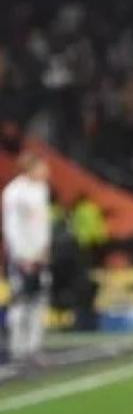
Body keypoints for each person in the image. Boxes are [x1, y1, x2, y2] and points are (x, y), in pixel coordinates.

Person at [3, 152, 52, 365]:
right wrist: (21, 256)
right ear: (30, 168)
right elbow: (12, 227)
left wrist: (45, 249)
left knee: (39, 301)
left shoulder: (42, 189)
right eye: (42, 167)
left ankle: (34, 347)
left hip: (40, 255)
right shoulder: (14, 192)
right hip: (23, 257)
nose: (46, 171)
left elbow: (42, 225)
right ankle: (17, 348)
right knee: (21, 300)